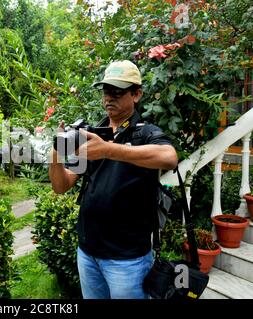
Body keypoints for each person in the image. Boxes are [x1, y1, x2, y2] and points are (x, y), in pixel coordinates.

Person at [49, 60, 178, 299]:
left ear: (136, 94)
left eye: (118, 92)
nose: (110, 98)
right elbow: (62, 185)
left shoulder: (145, 133)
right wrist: (55, 153)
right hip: (87, 253)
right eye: (107, 91)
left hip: (127, 261)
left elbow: (169, 157)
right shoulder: (93, 134)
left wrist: (109, 150)